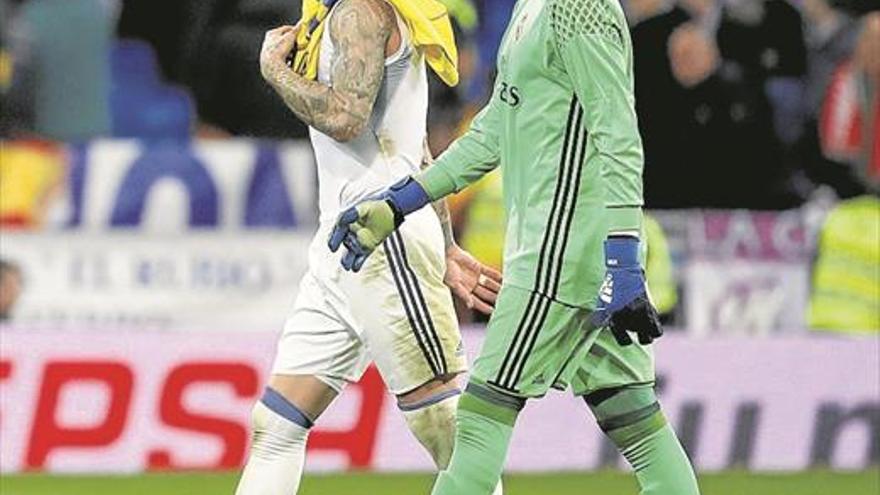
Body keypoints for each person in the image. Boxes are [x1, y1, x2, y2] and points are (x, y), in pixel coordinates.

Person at [329, 0, 701, 493]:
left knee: (481, 417)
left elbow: (618, 133)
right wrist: (402, 201)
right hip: (570, 255)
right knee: (638, 425)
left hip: (560, 256)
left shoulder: (579, 7)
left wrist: (624, 255)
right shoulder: (533, 7)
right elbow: (492, 133)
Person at [235, 1, 503, 494]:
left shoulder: (359, 11)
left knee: (443, 426)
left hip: (384, 240)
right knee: (276, 426)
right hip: (343, 243)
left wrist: (273, 70)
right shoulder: (336, 12)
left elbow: (346, 117)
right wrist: (444, 242)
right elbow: (414, 145)